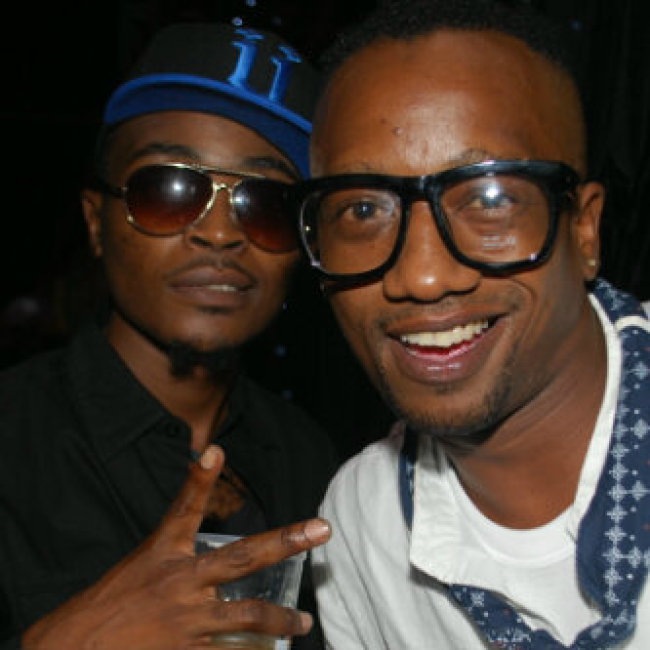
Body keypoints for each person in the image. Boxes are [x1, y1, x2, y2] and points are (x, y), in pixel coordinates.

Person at [292, 0, 650, 648]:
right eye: (364, 210)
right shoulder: (362, 525)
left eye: (490, 198)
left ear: (585, 229)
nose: (422, 276)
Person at [0, 22, 336, 650]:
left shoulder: (316, 463)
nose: (219, 233)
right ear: (96, 222)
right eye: (169, 190)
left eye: (266, 205)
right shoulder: (14, 442)